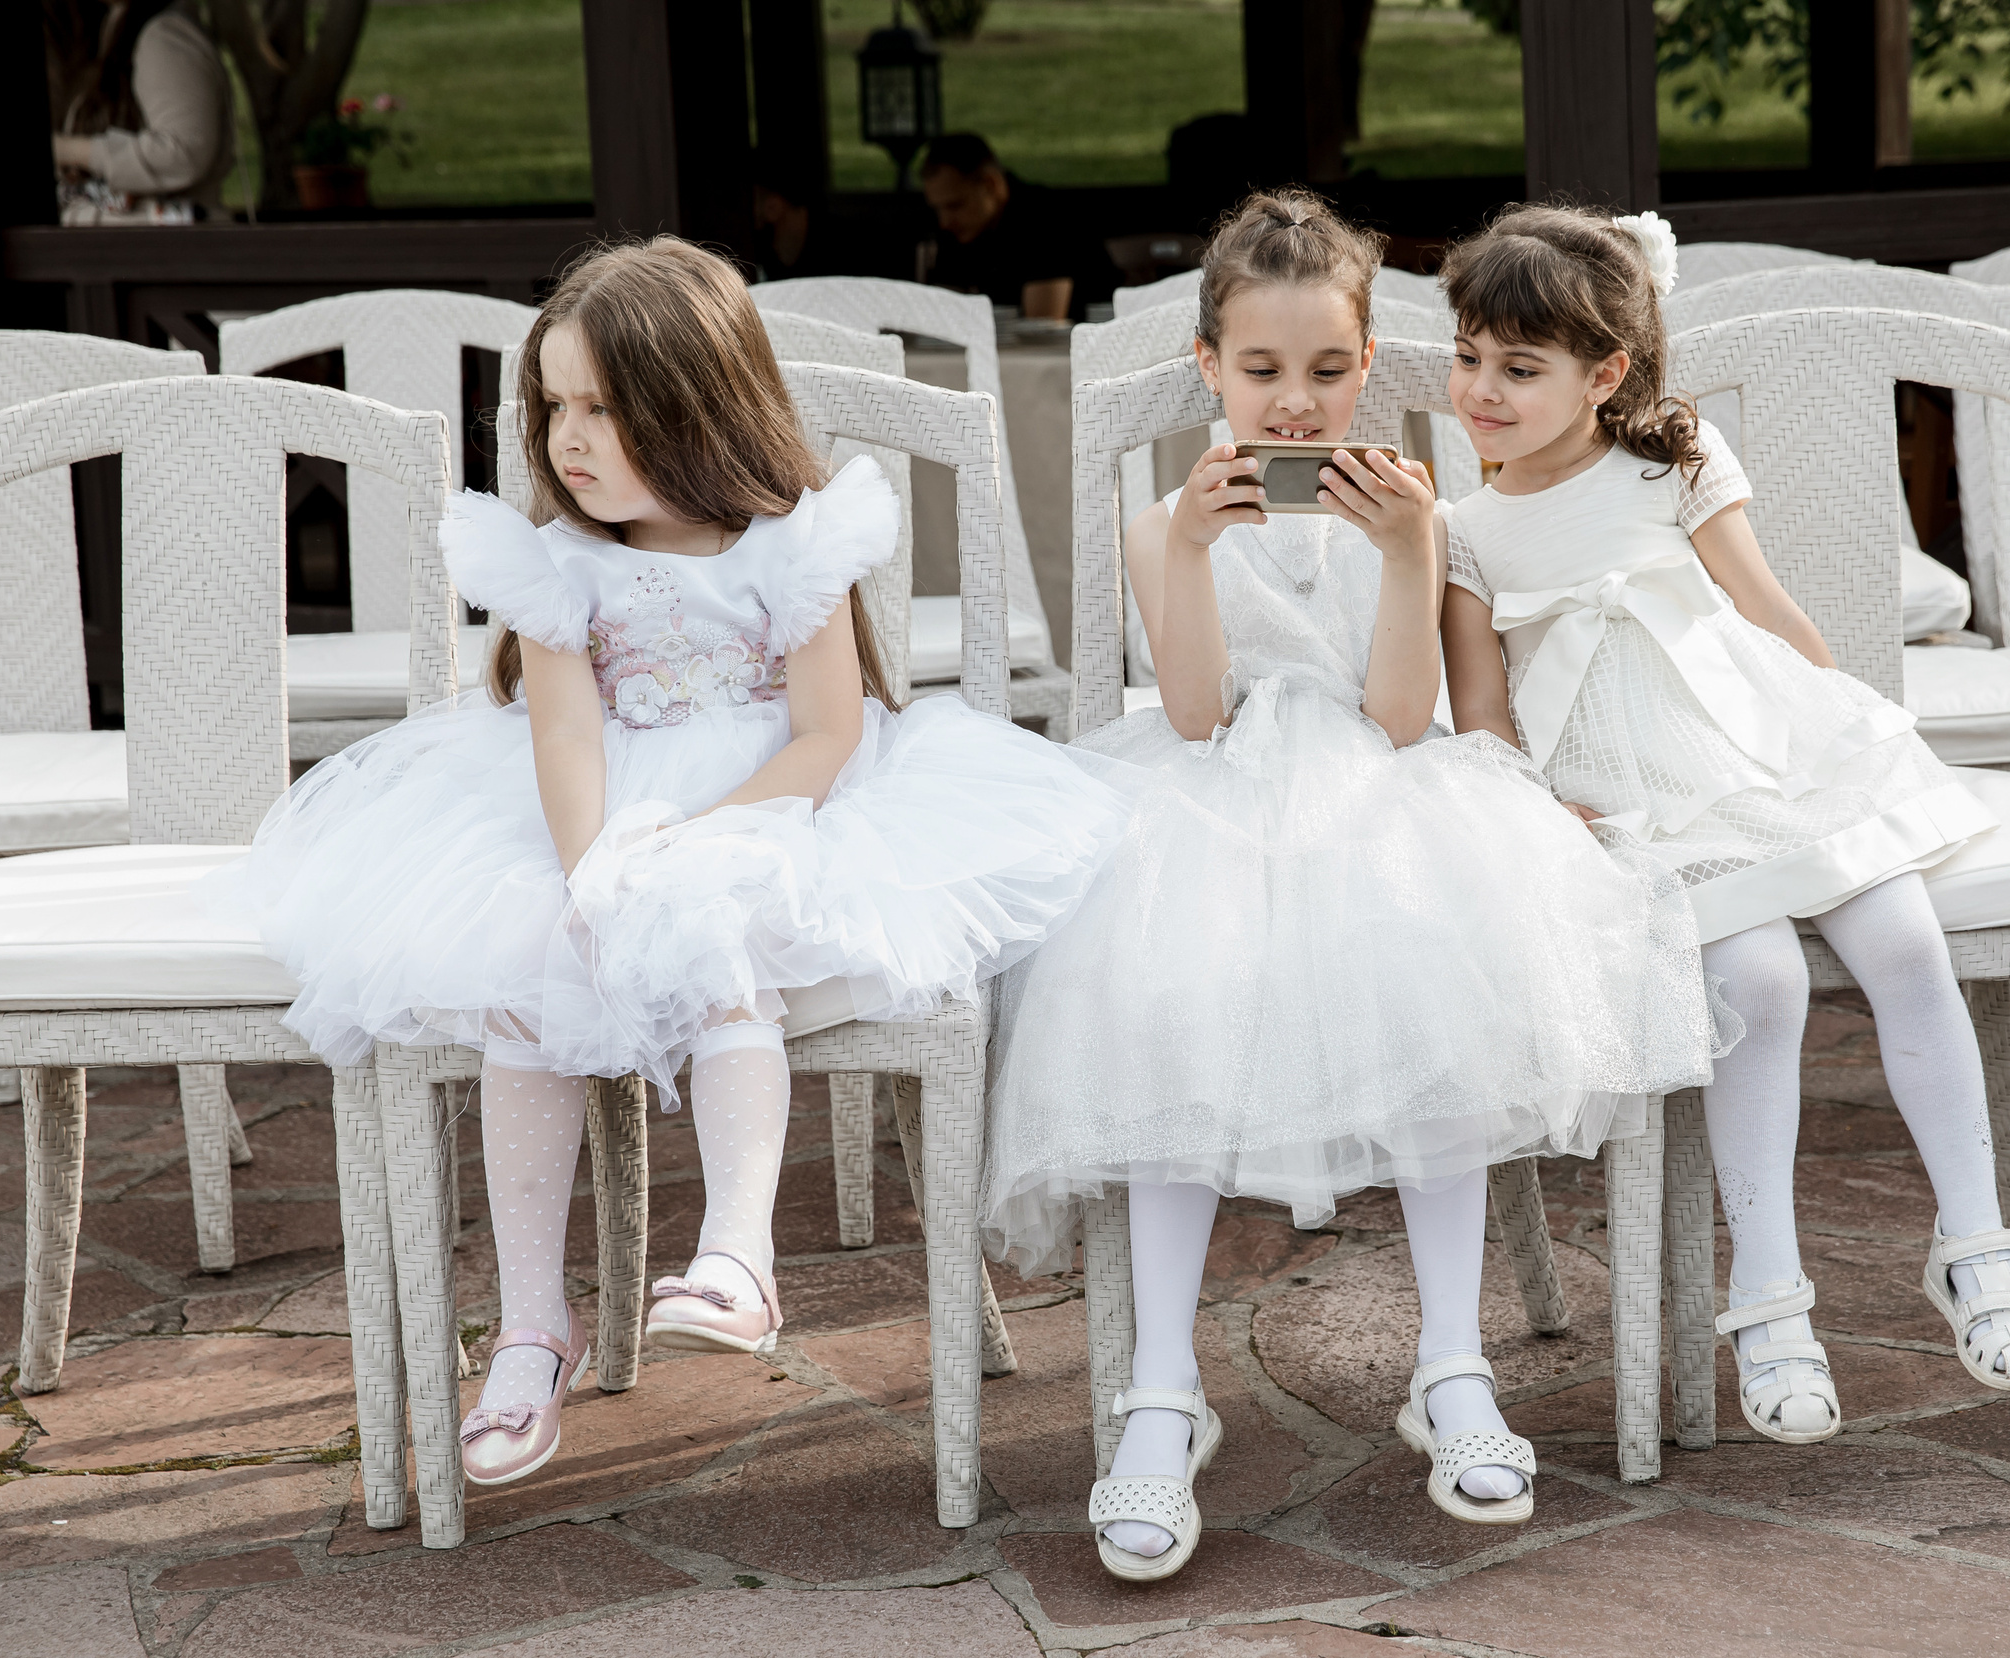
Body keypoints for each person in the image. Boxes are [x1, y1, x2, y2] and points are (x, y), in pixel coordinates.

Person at [217, 237, 1142, 1490]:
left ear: (694, 407)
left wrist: (701, 840)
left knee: (715, 938)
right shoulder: (549, 567)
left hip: (779, 810)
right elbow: (563, 734)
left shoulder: (789, 549)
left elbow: (827, 732)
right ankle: (534, 1323)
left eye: (603, 407)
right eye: (556, 407)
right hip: (595, 814)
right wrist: (595, 866)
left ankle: (740, 1257)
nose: (571, 438)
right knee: (523, 981)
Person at [983, 190, 1721, 1581]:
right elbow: (1194, 717)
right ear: (1210, 367)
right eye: (1261, 371)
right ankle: (1161, 1391)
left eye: (1328, 370)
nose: (1296, 402)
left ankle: (1450, 1360)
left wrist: (1403, 552)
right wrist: (1194, 549)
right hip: (1204, 802)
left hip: (1387, 796)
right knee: (1161, 1001)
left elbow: (1398, 717)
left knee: (1433, 989)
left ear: (1368, 360)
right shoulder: (1163, 528)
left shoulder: (1416, 510)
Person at [1436, 204, 2010, 1447]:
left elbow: (1760, 605)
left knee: (1903, 939)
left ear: (1604, 375)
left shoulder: (1674, 462)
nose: (1480, 391)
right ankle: (1768, 1300)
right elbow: (1482, 712)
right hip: (1622, 789)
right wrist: (1535, 812)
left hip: (1745, 739)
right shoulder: (1462, 535)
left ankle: (1975, 1247)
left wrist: (1839, 735)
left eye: (1518, 367)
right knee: (1759, 986)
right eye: (1468, 358)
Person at [46, 0, 233, 223]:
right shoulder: (115, 27)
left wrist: (73, 151)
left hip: (162, 247)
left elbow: (184, 151)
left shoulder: (165, 37)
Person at [919, 133, 1116, 321]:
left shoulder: (1047, 220)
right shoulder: (960, 231)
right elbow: (943, 316)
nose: (944, 221)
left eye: (955, 206)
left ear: (991, 185)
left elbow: (1042, 328)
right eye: (938, 209)